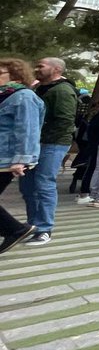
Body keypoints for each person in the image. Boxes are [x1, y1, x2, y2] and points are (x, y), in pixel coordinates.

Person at [21, 57, 78, 244]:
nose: (36, 68)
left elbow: (65, 120)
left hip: (52, 144)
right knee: (28, 186)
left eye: (41, 66)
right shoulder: (40, 88)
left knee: (44, 183)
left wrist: (41, 137)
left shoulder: (62, 91)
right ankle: (32, 225)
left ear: (56, 69)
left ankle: (44, 228)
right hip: (35, 144)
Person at [0, 58, 44, 252]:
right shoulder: (5, 95)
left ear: (16, 75)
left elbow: (28, 130)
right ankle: (14, 230)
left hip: (8, 160)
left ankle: (16, 230)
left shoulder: (24, 96)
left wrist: (22, 160)